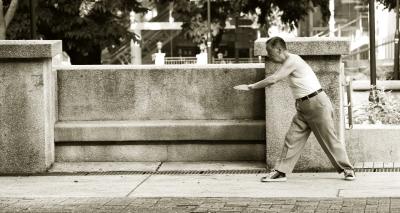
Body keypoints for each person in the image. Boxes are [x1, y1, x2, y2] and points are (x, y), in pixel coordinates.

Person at [234, 36, 355, 182]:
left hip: (316, 104)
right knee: (292, 139)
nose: (268, 56)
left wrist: (250, 87)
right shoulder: (288, 62)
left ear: (279, 50)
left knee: (329, 139)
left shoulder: (293, 60)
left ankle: (348, 170)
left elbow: (273, 79)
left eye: (270, 52)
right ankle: (281, 172)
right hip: (304, 107)